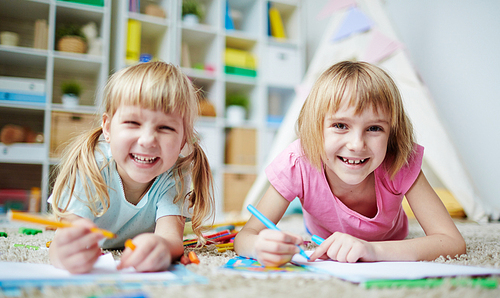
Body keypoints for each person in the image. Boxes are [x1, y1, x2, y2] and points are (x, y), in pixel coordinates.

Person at [234, 61, 466, 267]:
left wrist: (373, 250)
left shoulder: (400, 159)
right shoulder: (298, 162)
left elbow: (452, 242)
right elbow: (245, 238)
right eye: (340, 125)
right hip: (319, 235)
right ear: (315, 127)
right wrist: (258, 246)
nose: (356, 144)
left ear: (392, 134)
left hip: (391, 238)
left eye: (374, 128)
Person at [49, 61, 214, 273]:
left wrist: (162, 247)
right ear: (107, 128)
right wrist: (65, 254)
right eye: (133, 123)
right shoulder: (91, 166)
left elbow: (171, 238)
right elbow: (62, 239)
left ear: (183, 140)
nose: (147, 140)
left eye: (165, 127)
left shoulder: (175, 175)